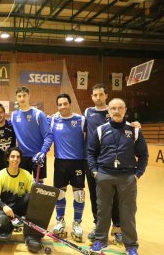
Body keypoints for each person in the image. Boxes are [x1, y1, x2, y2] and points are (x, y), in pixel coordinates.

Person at [87, 98, 148, 255]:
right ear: (108, 111)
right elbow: (90, 152)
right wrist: (94, 172)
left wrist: (137, 174)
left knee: (128, 213)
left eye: (120, 108)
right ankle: (100, 240)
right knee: (103, 210)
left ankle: (131, 246)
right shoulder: (100, 130)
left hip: (127, 177)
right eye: (113, 108)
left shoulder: (134, 131)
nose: (116, 111)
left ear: (125, 109)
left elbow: (143, 155)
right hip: (104, 175)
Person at [84, 84, 122, 242]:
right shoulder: (88, 112)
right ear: (92, 97)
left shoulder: (113, 111)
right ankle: (98, 225)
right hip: (92, 161)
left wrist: (135, 125)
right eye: (95, 95)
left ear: (106, 95)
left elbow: (124, 125)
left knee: (115, 195)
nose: (98, 98)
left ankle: (117, 226)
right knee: (95, 196)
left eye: (100, 94)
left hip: (110, 161)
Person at [47, 93, 86, 242]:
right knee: (60, 194)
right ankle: (60, 221)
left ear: (70, 104)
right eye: (60, 104)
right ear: (57, 106)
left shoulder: (81, 120)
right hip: (60, 162)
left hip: (78, 162)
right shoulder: (53, 120)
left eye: (65, 104)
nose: (63, 107)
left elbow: (98, 126)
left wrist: (131, 124)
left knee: (79, 195)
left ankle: (77, 223)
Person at [0, 147, 37, 252]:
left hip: (19, 207)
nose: (15, 159)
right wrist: (4, 206)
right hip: (4, 209)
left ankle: (30, 234)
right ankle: (11, 224)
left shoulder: (27, 175)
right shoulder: (0, 175)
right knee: (0, 221)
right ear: (7, 158)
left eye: (18, 157)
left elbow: (34, 193)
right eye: (12, 156)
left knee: (31, 196)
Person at [11, 86, 52, 183]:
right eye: (19, 96)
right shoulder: (14, 115)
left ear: (29, 96)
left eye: (24, 95)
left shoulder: (38, 114)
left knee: (38, 188)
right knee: (22, 186)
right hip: (22, 157)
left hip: (38, 156)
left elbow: (48, 136)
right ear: (16, 98)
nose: (22, 98)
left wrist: (43, 152)